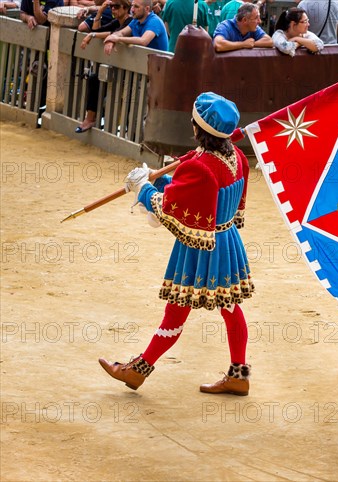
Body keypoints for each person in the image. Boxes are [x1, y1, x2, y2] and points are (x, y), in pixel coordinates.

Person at [99, 92, 255, 396]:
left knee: (175, 313)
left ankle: (138, 371)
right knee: (231, 307)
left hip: (200, 248)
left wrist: (143, 188)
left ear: (198, 130)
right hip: (226, 243)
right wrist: (159, 181)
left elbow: (170, 210)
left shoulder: (198, 167)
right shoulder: (235, 157)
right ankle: (239, 374)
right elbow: (196, 199)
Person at [75, 0, 132, 133]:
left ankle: (117, 129)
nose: (113, 10)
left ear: (126, 8)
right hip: (120, 67)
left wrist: (93, 35)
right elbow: (98, 30)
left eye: (116, 7)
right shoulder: (118, 21)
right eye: (111, 7)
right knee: (94, 79)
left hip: (131, 70)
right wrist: (100, 12)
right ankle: (90, 119)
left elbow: (115, 33)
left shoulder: (130, 22)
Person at [103, 0, 169, 53]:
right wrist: (111, 40)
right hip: (144, 64)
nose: (132, 10)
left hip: (158, 66)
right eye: (132, 6)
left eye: (136, 7)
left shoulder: (154, 21)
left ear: (147, 9)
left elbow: (143, 41)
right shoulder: (136, 20)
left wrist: (117, 39)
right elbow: (121, 33)